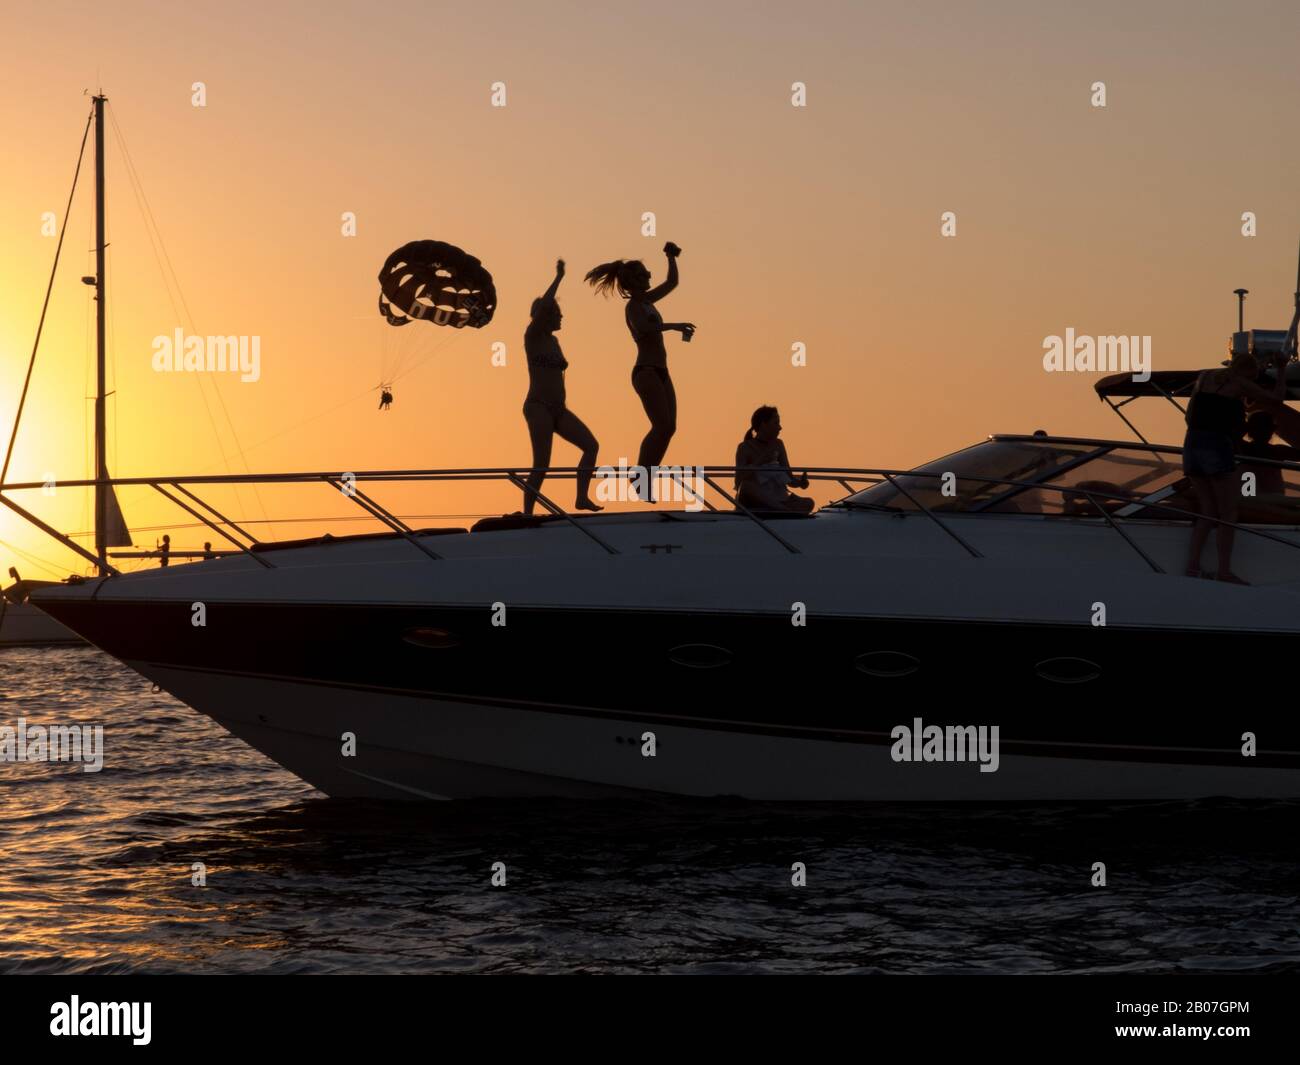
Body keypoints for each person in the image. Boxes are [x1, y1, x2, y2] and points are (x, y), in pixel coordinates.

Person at [585, 242, 695, 499]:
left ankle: (646, 476)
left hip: (661, 370)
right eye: (645, 274)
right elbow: (644, 329)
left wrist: (670, 257)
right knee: (659, 425)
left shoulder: (647, 300)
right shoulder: (633, 307)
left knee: (669, 428)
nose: (649, 277)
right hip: (645, 371)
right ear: (634, 281)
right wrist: (673, 326)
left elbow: (672, 282)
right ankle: (640, 476)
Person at [1182, 350, 1288, 582]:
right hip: (1216, 446)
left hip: (1191, 444)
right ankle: (1224, 571)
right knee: (1228, 512)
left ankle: (1192, 566)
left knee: (1208, 510)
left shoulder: (1204, 377)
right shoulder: (1239, 382)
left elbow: (1189, 418)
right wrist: (1281, 370)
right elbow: (1277, 399)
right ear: (1249, 372)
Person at [521, 259, 602, 514]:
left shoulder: (554, 342)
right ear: (545, 317)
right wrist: (559, 277)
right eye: (558, 314)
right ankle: (527, 513)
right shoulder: (532, 337)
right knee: (542, 464)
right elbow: (545, 305)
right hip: (538, 407)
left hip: (558, 408)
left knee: (591, 446)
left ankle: (581, 497)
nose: (562, 317)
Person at [734, 406, 814, 513]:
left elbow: (789, 477)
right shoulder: (745, 447)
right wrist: (760, 461)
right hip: (756, 498)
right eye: (776, 423)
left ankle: (780, 507)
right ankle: (783, 509)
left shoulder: (778, 445)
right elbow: (738, 480)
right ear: (764, 424)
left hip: (777, 496)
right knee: (746, 487)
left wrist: (800, 483)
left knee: (809, 502)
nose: (780, 427)